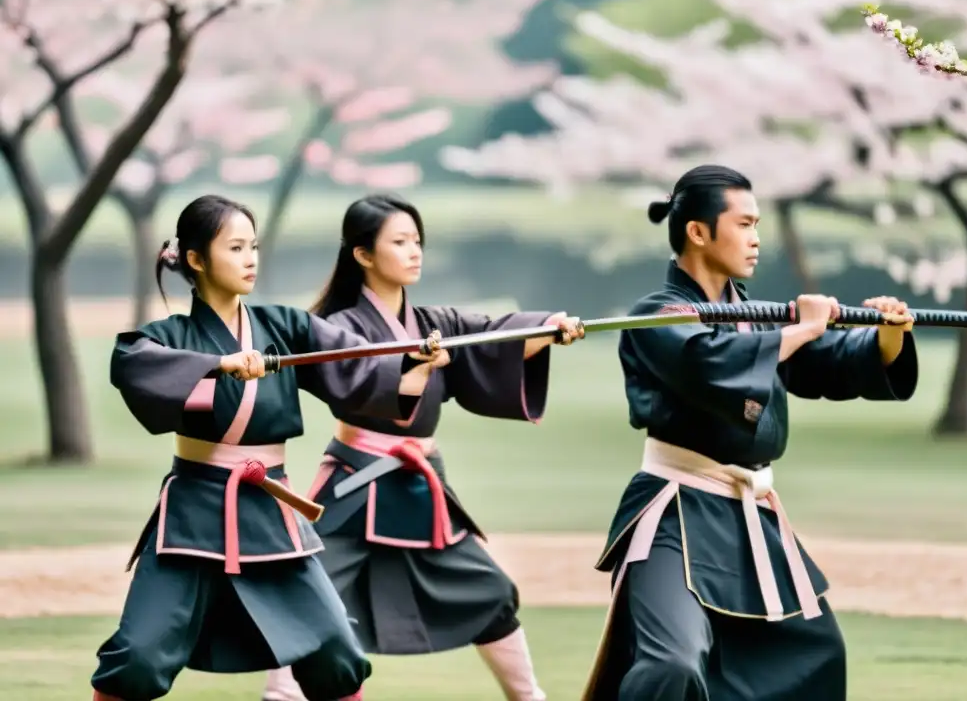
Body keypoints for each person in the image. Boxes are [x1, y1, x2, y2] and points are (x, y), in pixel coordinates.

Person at [580, 164, 919, 701]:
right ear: (698, 231)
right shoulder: (658, 314)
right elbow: (709, 364)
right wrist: (802, 328)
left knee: (816, 650)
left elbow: (826, 364)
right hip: (674, 513)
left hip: (748, 516)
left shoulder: (757, 320)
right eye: (744, 223)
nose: (757, 238)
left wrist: (887, 338)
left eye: (758, 223)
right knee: (672, 664)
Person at [91, 194, 448, 701]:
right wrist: (216, 366)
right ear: (195, 259)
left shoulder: (284, 327)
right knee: (138, 657)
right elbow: (134, 361)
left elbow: (355, 362)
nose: (251, 258)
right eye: (235, 247)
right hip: (193, 514)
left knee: (337, 653)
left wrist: (411, 362)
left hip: (271, 513)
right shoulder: (169, 335)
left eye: (253, 246)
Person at [260, 193, 585, 701]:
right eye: (400, 242)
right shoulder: (339, 327)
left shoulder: (436, 324)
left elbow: (493, 336)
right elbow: (356, 375)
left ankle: (529, 697)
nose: (414, 251)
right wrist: (409, 365)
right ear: (363, 255)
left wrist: (549, 330)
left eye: (418, 241)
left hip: (421, 483)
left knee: (492, 592)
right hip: (356, 485)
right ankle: (281, 695)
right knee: (312, 596)